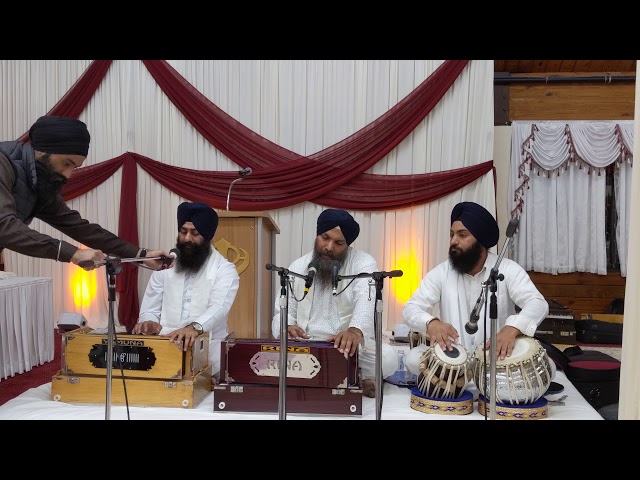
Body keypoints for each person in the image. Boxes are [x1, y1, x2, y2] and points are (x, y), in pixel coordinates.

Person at [402, 201, 549, 395]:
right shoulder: (441, 272)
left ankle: (468, 384)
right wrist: (432, 322)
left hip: (496, 356)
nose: (454, 241)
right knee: (413, 358)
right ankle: (464, 382)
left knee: (549, 368)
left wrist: (511, 329)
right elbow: (411, 308)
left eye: (462, 235)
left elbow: (537, 303)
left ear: (480, 240)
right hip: (454, 358)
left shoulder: (507, 269)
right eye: (452, 235)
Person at [0, 115, 170, 270]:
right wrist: (73, 253)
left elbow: (78, 227)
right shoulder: (3, 162)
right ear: (41, 150)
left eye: (74, 167)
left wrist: (140, 254)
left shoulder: (39, 179)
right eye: (66, 163)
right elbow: (3, 226)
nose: (67, 175)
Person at [271, 208, 399, 398]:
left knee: (388, 358)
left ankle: (340, 377)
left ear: (347, 244)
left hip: (346, 347)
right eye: (325, 238)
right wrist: (287, 325)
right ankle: (353, 378)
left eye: (338, 243)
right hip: (307, 345)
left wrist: (354, 331)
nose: (329, 247)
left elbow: (366, 299)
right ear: (317, 235)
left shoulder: (362, 263)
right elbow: (282, 312)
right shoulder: (298, 266)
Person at [132, 201, 240, 380]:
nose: (187, 238)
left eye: (195, 233)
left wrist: (194, 328)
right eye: (183, 232)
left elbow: (219, 307)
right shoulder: (165, 266)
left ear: (207, 236)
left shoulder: (224, 270)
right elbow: (150, 309)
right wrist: (149, 322)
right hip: (164, 353)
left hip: (209, 357)